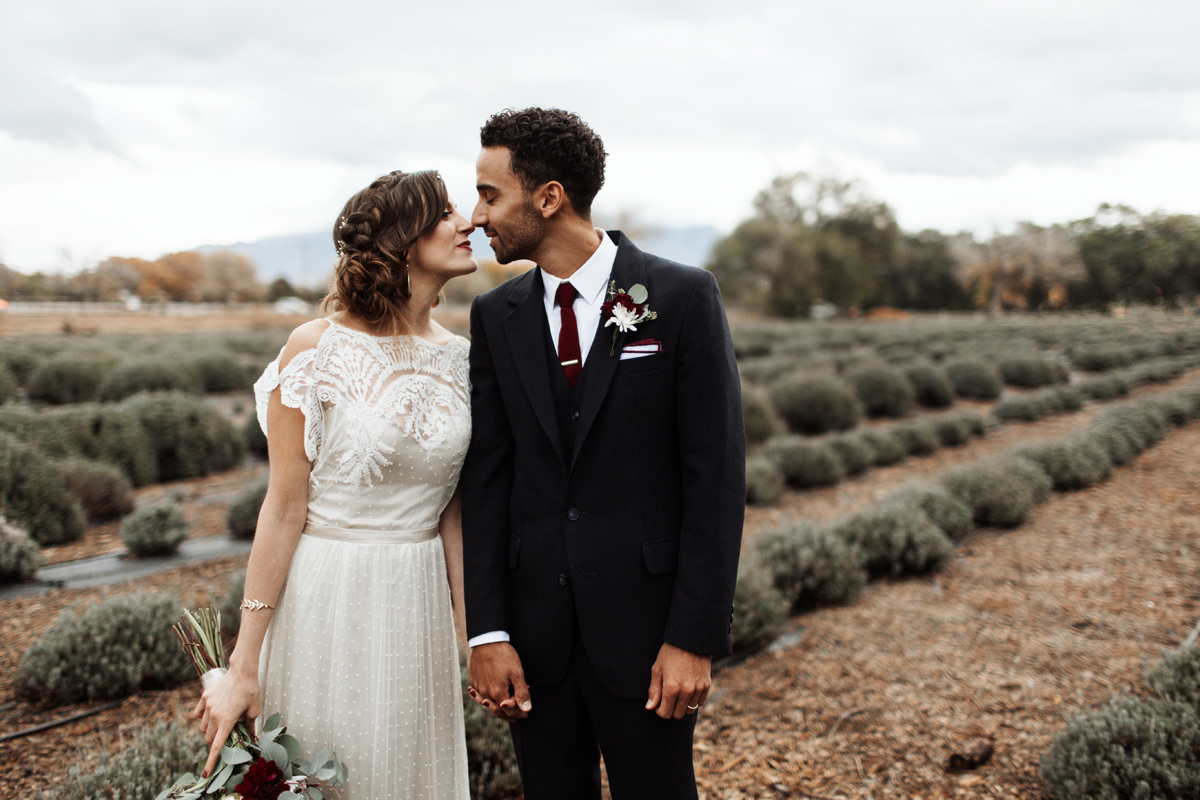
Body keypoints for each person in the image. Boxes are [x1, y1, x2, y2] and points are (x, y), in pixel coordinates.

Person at [461, 108, 746, 800]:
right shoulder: (496, 317)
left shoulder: (680, 297)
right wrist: (488, 632)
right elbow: (489, 481)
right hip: (534, 646)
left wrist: (694, 637)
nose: (475, 215)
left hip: (649, 642)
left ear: (549, 197)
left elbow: (715, 478)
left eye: (490, 194)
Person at [193, 170, 477, 800]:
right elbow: (284, 507)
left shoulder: (460, 357)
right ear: (402, 239)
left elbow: (452, 507)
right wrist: (242, 666)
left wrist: (469, 634)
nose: (470, 223)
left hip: (418, 598)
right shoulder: (315, 348)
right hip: (326, 595)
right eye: (446, 214)